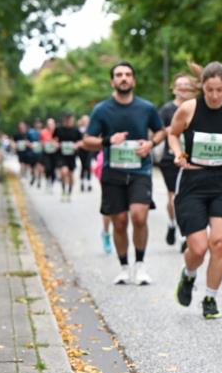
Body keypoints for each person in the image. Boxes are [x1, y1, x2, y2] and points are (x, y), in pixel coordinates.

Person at [169, 62, 222, 319]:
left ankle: (210, 298)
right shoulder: (189, 108)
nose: (215, 96)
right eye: (209, 90)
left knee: (219, 243)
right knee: (198, 248)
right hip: (193, 182)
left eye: (219, 90)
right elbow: (173, 134)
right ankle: (189, 274)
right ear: (202, 88)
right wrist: (177, 153)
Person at [83, 61, 166, 285]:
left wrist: (150, 143)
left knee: (139, 216)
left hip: (140, 170)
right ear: (112, 81)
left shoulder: (146, 108)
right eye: (119, 75)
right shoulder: (102, 110)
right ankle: (123, 266)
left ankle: (140, 265)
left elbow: (161, 131)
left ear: (134, 80)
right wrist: (108, 140)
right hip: (113, 172)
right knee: (119, 221)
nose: (123, 78)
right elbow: (87, 141)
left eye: (128, 74)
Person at [159, 73, 199, 248]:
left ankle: (185, 232)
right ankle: (172, 223)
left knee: (187, 196)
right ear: (174, 89)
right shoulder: (167, 109)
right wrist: (173, 127)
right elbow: (157, 133)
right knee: (174, 197)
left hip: (192, 158)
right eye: (179, 85)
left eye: (186, 85)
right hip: (171, 159)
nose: (182, 88)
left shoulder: (197, 108)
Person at [54, 111, 82, 202]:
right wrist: (56, 144)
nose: (68, 120)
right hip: (61, 155)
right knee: (63, 172)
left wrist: (76, 145)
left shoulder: (76, 130)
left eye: (70, 118)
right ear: (63, 119)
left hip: (72, 155)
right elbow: (54, 140)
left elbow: (81, 141)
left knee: (70, 175)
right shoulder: (58, 129)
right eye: (66, 118)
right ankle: (63, 191)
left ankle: (69, 193)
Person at [76, 114, 94, 192]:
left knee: (88, 166)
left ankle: (89, 182)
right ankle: (82, 182)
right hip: (82, 150)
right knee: (83, 166)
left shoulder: (91, 129)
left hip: (89, 149)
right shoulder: (79, 130)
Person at [41, 117, 58, 192]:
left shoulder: (57, 131)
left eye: (51, 124)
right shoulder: (43, 132)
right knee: (47, 168)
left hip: (55, 152)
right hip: (46, 152)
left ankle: (52, 183)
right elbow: (41, 141)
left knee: (53, 168)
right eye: (48, 124)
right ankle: (48, 180)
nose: (50, 125)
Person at [28, 119, 44, 187]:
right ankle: (33, 176)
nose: (38, 125)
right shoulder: (31, 132)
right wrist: (30, 144)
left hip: (41, 152)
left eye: (39, 123)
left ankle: (39, 180)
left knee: (40, 166)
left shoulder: (43, 132)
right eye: (36, 123)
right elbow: (27, 140)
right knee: (33, 167)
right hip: (33, 152)